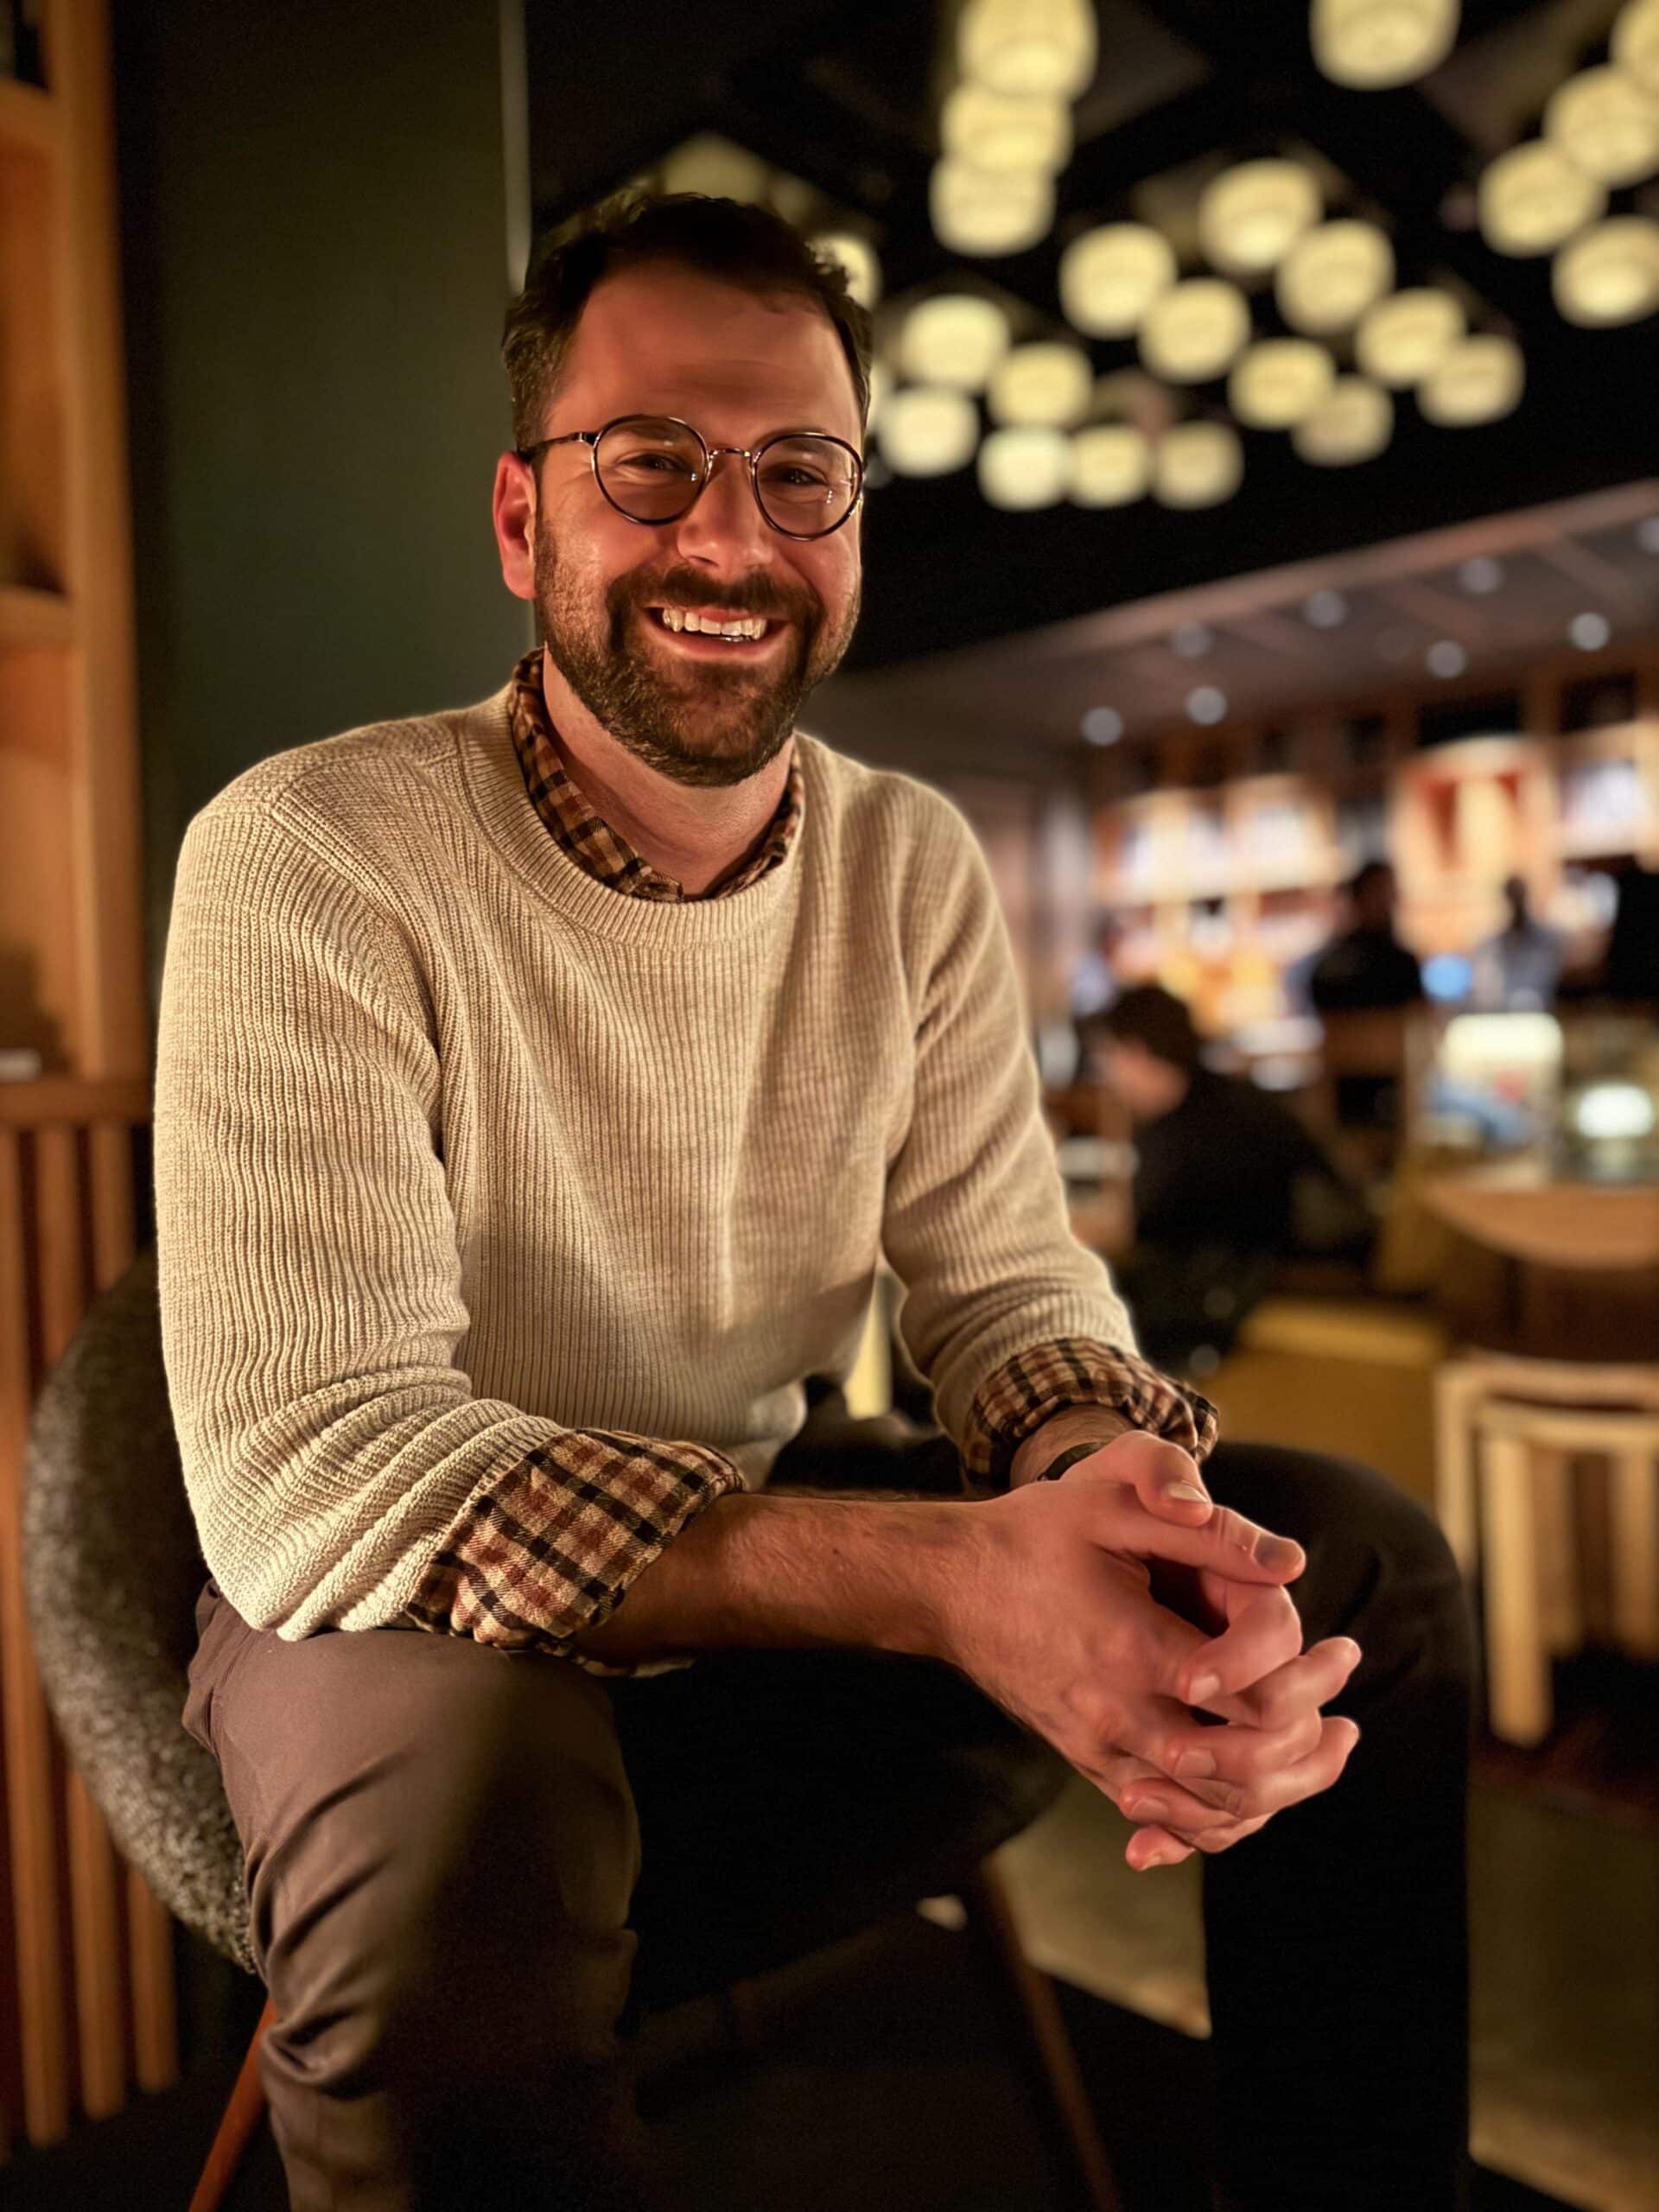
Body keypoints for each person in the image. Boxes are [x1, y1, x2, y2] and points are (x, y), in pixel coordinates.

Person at [153, 193, 1471, 2212]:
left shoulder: (913, 863)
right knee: (462, 1800)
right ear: (524, 522)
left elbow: (1005, 1282)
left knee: (1339, 1562)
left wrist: (1113, 1484)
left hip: (758, 1580)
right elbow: (317, 1477)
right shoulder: (316, 853)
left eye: (801, 474)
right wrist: (950, 1578)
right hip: (400, 1619)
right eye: (655, 463)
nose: (731, 537)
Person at [1091, 986, 1370, 1368]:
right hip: (1284, 1270)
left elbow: (1152, 1235)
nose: (1106, 1074)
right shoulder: (1237, 1098)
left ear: (1137, 1052)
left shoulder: (1182, 1134)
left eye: (1109, 1056)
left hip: (1243, 1294)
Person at [1307, 859, 1424, 1014]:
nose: (1388, 903)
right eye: (1379, 893)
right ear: (1359, 898)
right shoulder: (1336, 966)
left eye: (1391, 893)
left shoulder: (1402, 960)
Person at [1470, 875, 1564, 1009]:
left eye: (1518, 897)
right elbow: (1484, 987)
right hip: (1501, 1013)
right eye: (1513, 897)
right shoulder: (1490, 943)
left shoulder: (1545, 940)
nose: (1516, 903)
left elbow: (1543, 982)